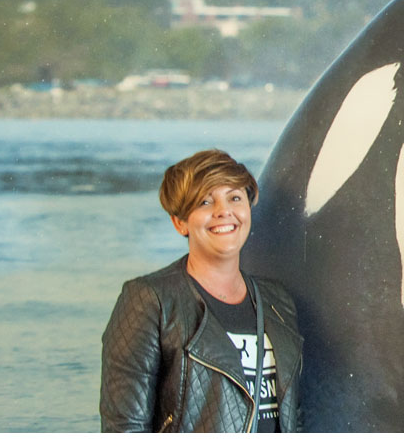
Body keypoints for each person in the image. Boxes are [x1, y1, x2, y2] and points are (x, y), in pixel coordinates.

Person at [100, 149, 303, 432]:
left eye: (234, 198)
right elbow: (124, 428)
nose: (223, 211)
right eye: (205, 202)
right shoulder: (149, 300)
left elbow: (294, 417)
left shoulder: (277, 301)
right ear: (180, 222)